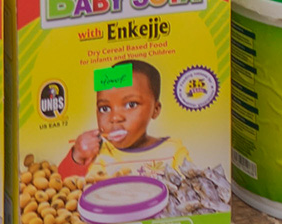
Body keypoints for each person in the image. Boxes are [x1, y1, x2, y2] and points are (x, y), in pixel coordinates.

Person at [62, 60, 191, 176]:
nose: (115, 118)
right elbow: (63, 191)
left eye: (131, 105)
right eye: (104, 108)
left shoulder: (173, 151)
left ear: (155, 110)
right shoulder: (98, 155)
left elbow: (196, 190)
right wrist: (77, 156)